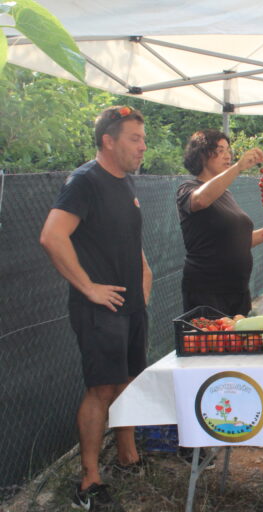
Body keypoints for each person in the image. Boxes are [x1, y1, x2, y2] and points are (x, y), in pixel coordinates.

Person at [40, 106, 152, 511]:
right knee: (101, 389)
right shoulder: (85, 181)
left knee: (128, 382)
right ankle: (89, 481)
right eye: (134, 138)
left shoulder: (124, 183)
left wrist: (144, 271)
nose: (142, 146)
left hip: (130, 303)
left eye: (142, 138)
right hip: (100, 309)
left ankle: (128, 456)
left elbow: (126, 237)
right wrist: (88, 287)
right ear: (108, 140)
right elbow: (52, 236)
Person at [177, 129, 263, 317]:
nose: (227, 155)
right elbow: (200, 200)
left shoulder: (225, 194)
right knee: (212, 345)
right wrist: (237, 167)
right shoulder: (187, 188)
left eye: (228, 150)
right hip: (207, 291)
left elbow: (231, 240)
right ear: (201, 155)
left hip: (237, 291)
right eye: (220, 150)